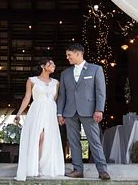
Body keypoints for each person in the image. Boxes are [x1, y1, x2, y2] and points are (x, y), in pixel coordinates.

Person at [56, 42, 110, 180]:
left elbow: (100, 92)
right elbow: (62, 95)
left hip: (90, 111)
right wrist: (60, 113)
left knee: (94, 141)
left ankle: (102, 170)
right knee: (73, 142)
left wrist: (99, 109)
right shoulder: (65, 73)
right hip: (69, 113)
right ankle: (77, 170)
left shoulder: (95, 69)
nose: (67, 58)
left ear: (78, 53)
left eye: (69, 55)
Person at [13, 58, 66, 181]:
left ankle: (43, 166)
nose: (54, 65)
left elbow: (56, 99)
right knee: (38, 136)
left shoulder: (56, 82)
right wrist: (19, 113)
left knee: (48, 138)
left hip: (50, 112)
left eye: (54, 63)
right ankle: (33, 165)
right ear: (43, 66)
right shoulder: (32, 80)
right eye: (50, 63)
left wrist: (60, 114)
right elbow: (27, 98)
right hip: (37, 110)